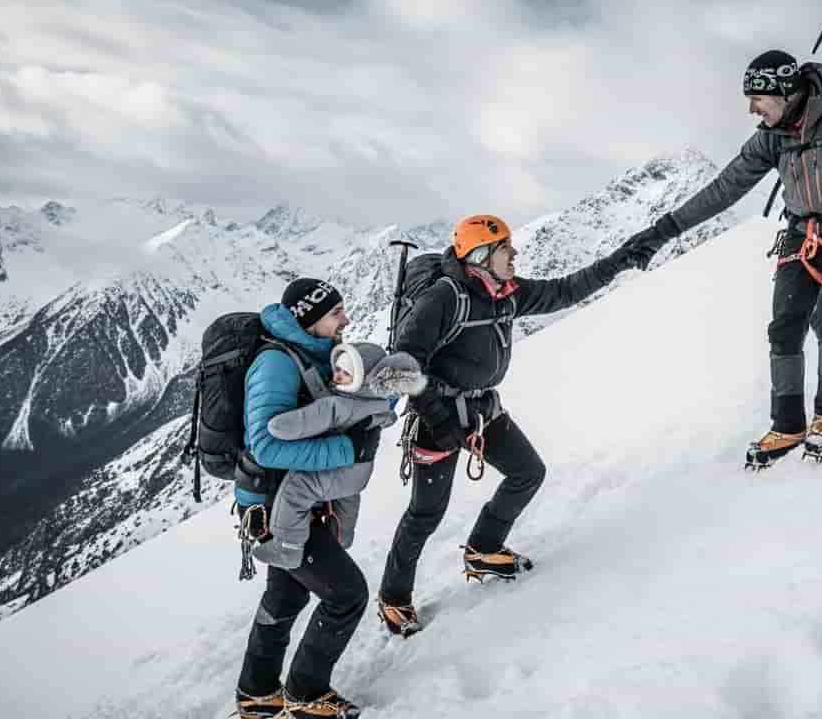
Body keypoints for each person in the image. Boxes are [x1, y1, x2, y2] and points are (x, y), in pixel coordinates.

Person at [622, 49, 822, 465]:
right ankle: (787, 424)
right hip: (801, 233)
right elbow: (723, 190)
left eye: (758, 99)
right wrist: (660, 233)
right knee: (784, 329)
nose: (752, 109)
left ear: (786, 92)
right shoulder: (772, 137)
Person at [375, 214, 647, 637]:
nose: (514, 254)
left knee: (528, 473)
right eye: (506, 249)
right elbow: (400, 368)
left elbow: (566, 289)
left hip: (483, 410)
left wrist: (618, 262)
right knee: (426, 513)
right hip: (438, 418)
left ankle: (483, 548)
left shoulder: (507, 293)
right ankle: (393, 597)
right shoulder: (446, 297)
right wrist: (437, 418)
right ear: (481, 257)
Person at [233, 278, 375, 719]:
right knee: (347, 595)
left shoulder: (310, 353)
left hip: (292, 502)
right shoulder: (276, 364)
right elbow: (265, 445)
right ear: (308, 319)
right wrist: (345, 451)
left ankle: (256, 693)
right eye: (336, 313)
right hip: (278, 505)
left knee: (286, 597)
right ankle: (306, 694)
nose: (345, 320)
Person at [252, 342, 427, 570]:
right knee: (347, 499)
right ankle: (342, 538)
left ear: (362, 378)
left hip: (340, 471)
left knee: (297, 488)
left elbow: (300, 423)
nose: (337, 375)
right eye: (338, 369)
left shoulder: (338, 405)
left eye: (346, 373)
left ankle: (288, 548)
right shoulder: (379, 402)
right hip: (359, 474)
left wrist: (276, 426)